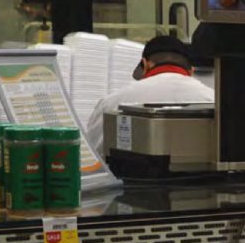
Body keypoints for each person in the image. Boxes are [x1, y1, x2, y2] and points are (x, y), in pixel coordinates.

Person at [86, 35, 215, 155]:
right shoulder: (213, 99)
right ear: (191, 70)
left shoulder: (113, 102)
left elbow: (95, 154)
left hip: (132, 178)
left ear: (145, 64)